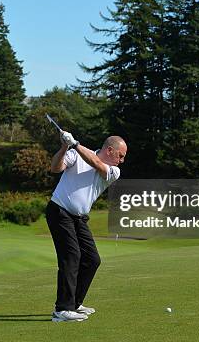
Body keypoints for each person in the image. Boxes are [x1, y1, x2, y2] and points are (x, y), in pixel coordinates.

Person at [47, 132, 127, 322]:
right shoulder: (75, 153)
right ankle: (62, 310)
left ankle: (74, 303)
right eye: (120, 155)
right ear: (110, 150)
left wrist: (74, 144)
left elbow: (96, 164)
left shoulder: (114, 171)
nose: (122, 161)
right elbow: (55, 168)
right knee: (71, 256)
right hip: (59, 211)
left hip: (79, 218)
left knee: (92, 260)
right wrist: (65, 147)